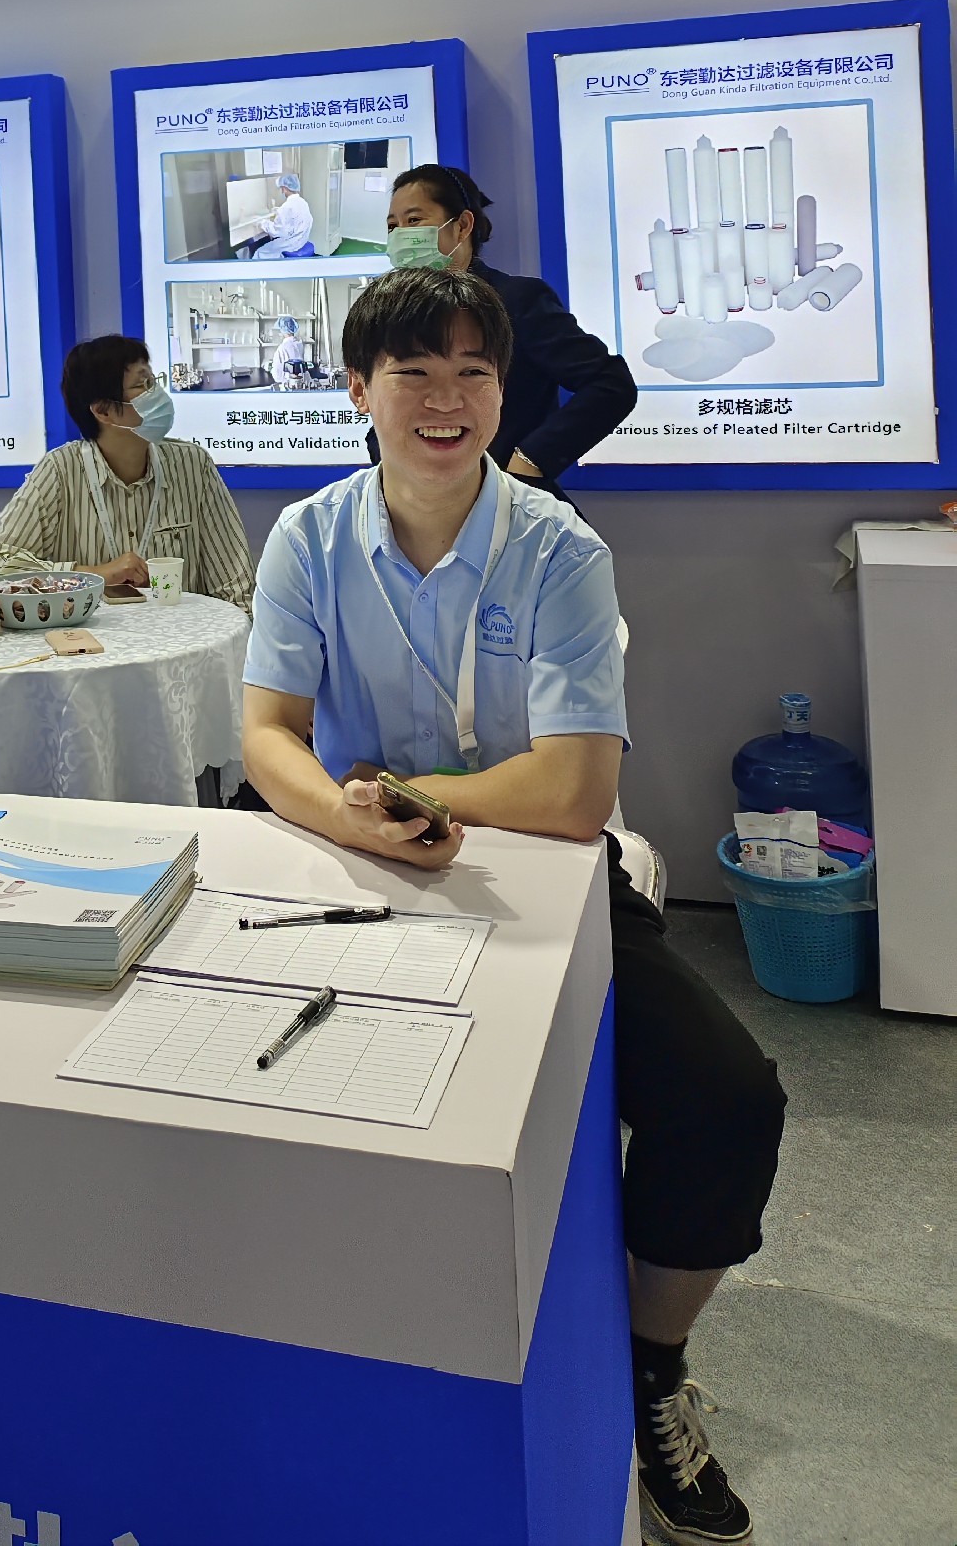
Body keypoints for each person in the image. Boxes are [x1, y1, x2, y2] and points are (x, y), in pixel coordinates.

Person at [242, 267, 782, 1546]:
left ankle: (652, 1363)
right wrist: (353, 820)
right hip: (352, 873)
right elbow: (268, 735)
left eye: (474, 373)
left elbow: (575, 789)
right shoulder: (309, 537)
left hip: (542, 879)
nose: (448, 400)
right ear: (358, 389)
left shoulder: (558, 548)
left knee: (727, 1098)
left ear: (503, 391)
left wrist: (412, 794)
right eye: (414, 373)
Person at [386, 162, 637, 489]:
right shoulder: (400, 314)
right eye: (392, 226)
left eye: (414, 221)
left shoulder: (515, 300)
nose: (401, 235)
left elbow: (610, 384)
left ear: (462, 226)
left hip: (510, 499)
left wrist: (529, 461)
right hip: (426, 499)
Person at [0, 333, 254, 609]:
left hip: (183, 635)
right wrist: (94, 575)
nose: (158, 394)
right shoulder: (60, 470)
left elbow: (236, 588)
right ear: (103, 411)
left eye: (153, 380)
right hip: (90, 637)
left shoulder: (192, 464)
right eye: (142, 385)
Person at [238, 171, 314, 259]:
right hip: (301, 240)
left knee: (260, 251)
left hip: (291, 244)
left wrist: (262, 223)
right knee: (269, 242)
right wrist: (278, 211)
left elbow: (276, 231)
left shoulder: (286, 207)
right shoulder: (302, 202)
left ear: (285, 188)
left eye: (282, 189)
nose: (282, 191)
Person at [269, 315, 306, 389]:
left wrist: (270, 369)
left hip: (289, 384)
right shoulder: (299, 344)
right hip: (301, 382)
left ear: (282, 331)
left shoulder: (282, 348)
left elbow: (277, 376)